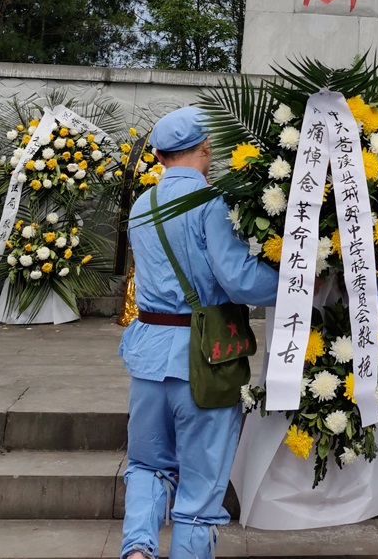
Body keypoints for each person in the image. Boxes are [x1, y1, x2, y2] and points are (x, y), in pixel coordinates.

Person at [118, 106, 279, 559]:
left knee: (147, 465)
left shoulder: (141, 204)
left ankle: (137, 551)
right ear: (207, 149)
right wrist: (298, 280)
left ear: (159, 155)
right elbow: (239, 281)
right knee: (200, 489)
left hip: (148, 354)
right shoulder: (211, 202)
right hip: (203, 358)